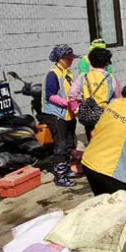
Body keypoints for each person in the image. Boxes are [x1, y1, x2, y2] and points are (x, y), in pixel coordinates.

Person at [43, 44, 80, 187]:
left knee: (70, 142)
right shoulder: (53, 74)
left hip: (68, 114)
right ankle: (60, 176)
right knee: (61, 144)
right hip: (57, 114)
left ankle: (66, 169)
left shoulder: (68, 73)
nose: (71, 61)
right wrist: (66, 103)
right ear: (61, 59)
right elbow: (50, 95)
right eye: (69, 58)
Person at [68, 47, 121, 142]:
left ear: (90, 62)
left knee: (92, 142)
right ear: (107, 63)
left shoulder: (83, 77)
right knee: (106, 143)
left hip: (89, 117)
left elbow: (72, 95)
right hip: (106, 116)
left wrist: (76, 109)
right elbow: (118, 98)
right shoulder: (111, 78)